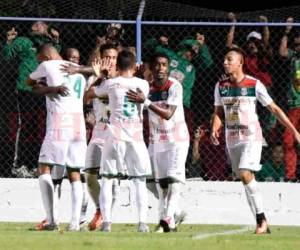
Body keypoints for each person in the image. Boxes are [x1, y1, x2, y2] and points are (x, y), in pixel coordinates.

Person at [210, 47, 300, 234]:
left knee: (244, 173)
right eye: (224, 60)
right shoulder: (221, 86)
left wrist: (294, 130)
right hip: (232, 139)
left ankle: (261, 220)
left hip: (251, 137)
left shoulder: (254, 84)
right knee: (245, 179)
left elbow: (274, 109)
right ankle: (261, 221)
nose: (225, 62)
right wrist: (214, 129)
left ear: (240, 62)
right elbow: (218, 112)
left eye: (229, 59)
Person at [86, 50, 151, 233]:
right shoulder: (143, 84)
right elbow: (140, 81)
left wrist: (102, 76)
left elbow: (91, 93)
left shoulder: (111, 84)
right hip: (136, 139)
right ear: (134, 66)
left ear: (118, 66)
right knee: (139, 181)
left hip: (114, 137)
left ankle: (107, 222)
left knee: (107, 179)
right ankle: (142, 223)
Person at [126, 52, 190, 232]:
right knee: (160, 184)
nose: (160, 68)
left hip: (177, 139)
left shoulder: (174, 86)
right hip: (157, 140)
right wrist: (136, 76)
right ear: (151, 68)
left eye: (164, 65)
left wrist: (145, 102)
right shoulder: (147, 88)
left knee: (174, 179)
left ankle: (166, 220)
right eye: (157, 65)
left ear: (168, 68)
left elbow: (168, 114)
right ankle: (171, 215)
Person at [27, 44, 87, 231]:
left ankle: (52, 220)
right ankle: (75, 223)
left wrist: (47, 86)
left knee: (43, 168)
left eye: (39, 60)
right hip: (79, 127)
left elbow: (28, 82)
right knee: (74, 172)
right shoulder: (79, 72)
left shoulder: (49, 65)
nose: (40, 64)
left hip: (60, 125)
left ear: (45, 56)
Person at [2, 21, 61, 177]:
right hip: (25, 89)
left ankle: (37, 164)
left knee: (41, 127)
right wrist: (8, 42)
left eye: (41, 25)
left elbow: (57, 60)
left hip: (44, 90)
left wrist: (56, 41)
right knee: (25, 125)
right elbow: (7, 55)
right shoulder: (23, 41)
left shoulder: (49, 44)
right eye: (35, 24)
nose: (37, 27)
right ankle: (19, 164)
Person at [83, 43, 119, 231]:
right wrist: (99, 76)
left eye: (114, 58)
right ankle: (99, 209)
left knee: (110, 178)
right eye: (107, 57)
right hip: (98, 133)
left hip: (117, 135)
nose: (111, 61)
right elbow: (85, 98)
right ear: (101, 58)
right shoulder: (95, 80)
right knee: (89, 175)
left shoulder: (123, 78)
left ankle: (106, 217)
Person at [279, 17, 300, 181]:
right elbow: (282, 52)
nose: (298, 47)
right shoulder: (293, 56)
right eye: (297, 45)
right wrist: (286, 31)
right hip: (294, 106)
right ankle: (290, 176)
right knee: (288, 141)